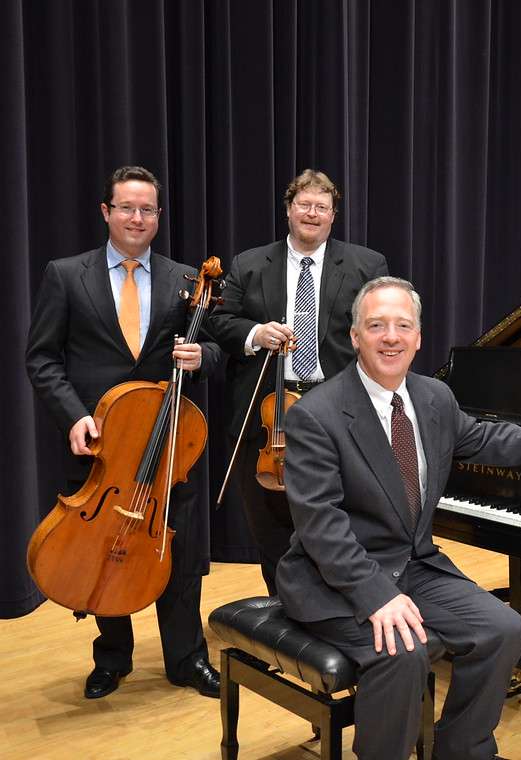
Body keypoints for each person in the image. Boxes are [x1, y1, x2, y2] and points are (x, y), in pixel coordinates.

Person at [276, 276, 521, 760]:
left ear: (418, 337)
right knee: (402, 653)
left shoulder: (434, 396)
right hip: (333, 578)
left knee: (503, 629)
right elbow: (320, 526)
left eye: (402, 326)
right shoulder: (316, 414)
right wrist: (376, 597)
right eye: (376, 325)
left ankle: (461, 749)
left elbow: (486, 439)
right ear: (355, 337)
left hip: (412, 565)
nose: (390, 337)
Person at [25, 165, 222, 699]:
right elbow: (42, 358)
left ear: (159, 216)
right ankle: (112, 658)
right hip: (100, 445)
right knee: (103, 549)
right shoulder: (67, 275)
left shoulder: (187, 279)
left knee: (176, 555)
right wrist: (74, 415)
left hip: (167, 446)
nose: (138, 218)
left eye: (148, 209)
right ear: (106, 212)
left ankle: (187, 659)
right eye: (127, 208)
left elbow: (217, 348)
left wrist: (202, 356)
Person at [207, 169, 388, 593]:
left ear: (333, 215)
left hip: (339, 410)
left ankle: (335, 609)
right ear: (288, 209)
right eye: (304, 204)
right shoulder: (249, 264)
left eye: (321, 207)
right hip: (266, 412)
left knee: (338, 519)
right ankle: (284, 608)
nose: (312, 213)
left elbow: (380, 327)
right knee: (270, 525)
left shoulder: (367, 264)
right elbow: (219, 321)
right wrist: (256, 334)